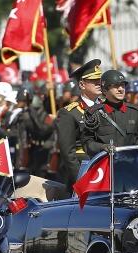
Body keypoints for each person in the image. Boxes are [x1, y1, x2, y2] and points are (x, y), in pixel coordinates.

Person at [55, 59, 103, 193]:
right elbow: (68, 153)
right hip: (85, 171)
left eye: (100, 79)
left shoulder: (107, 107)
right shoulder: (69, 113)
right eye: (94, 81)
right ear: (82, 84)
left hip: (107, 170)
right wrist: (81, 179)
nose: (99, 83)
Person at [82, 70, 138, 157]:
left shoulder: (135, 112)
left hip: (131, 164)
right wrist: (102, 147)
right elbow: (87, 143)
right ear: (105, 90)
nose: (121, 89)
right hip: (106, 165)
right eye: (116, 86)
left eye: (123, 86)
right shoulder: (94, 114)